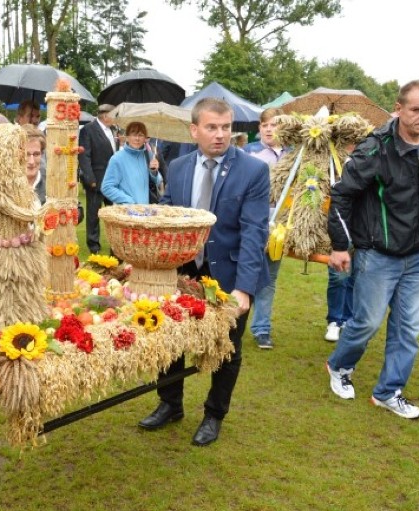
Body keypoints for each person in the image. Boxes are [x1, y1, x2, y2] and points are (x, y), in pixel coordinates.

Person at [138, 97, 270, 446]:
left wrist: (244, 288)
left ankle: (214, 414)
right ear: (194, 130)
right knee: (170, 341)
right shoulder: (179, 166)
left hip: (228, 276)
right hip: (182, 274)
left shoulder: (253, 171)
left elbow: (256, 232)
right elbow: (169, 212)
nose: (220, 134)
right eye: (212, 127)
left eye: (226, 127)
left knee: (226, 348)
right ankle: (170, 403)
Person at [325, 80, 419, 419]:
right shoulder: (375, 149)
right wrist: (340, 245)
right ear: (399, 107)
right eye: (417, 110)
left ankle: (388, 392)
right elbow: (341, 196)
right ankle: (339, 365)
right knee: (366, 323)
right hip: (378, 255)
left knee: (408, 328)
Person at [244, 107, 288, 349]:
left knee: (269, 278)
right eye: (265, 125)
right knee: (244, 273)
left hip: (279, 224)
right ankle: (230, 324)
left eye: (274, 124)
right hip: (253, 221)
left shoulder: (293, 156)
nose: (269, 129)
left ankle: (262, 329)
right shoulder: (249, 152)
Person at [78, 103, 119, 253]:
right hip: (96, 179)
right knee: (94, 214)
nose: (116, 119)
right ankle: (94, 246)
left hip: (113, 180)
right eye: (114, 116)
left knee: (114, 214)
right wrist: (90, 178)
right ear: (105, 115)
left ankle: (115, 246)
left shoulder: (113, 130)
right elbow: (84, 155)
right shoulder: (88, 130)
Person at [100, 121, 162, 205]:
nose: (137, 138)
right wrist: (129, 201)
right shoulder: (117, 159)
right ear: (127, 137)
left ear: (145, 138)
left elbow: (157, 182)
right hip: (126, 213)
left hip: (145, 212)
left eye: (140, 135)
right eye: (133, 134)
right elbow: (107, 187)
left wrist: (154, 171)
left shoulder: (148, 155)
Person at [22, 124, 47, 205]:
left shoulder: (51, 183)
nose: (31, 161)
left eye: (36, 154)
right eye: (26, 154)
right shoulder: (6, 186)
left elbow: (78, 208)